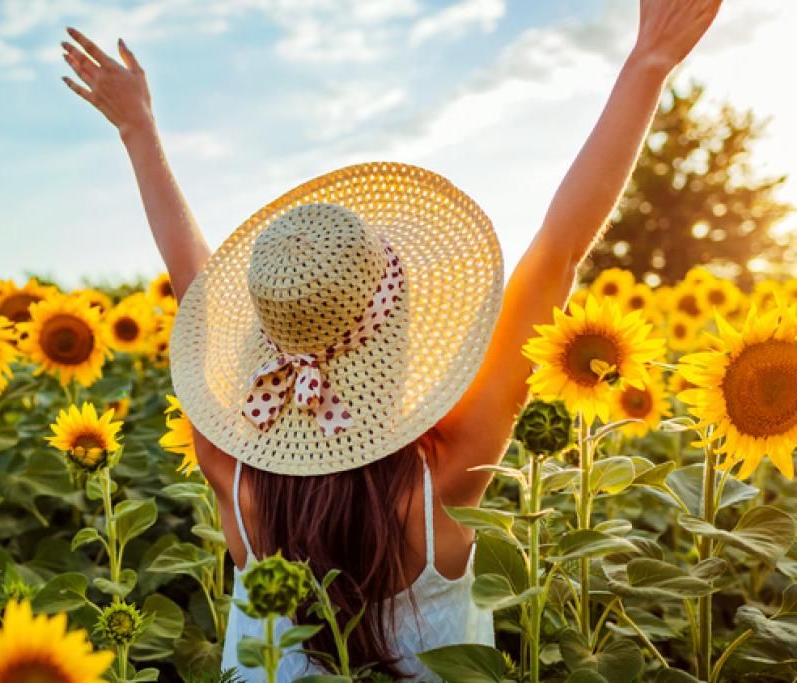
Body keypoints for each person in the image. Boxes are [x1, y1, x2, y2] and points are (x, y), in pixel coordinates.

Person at [60, 1, 721, 678]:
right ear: (399, 328)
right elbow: (556, 256)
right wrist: (649, 64)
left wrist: (138, 130)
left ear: (267, 332)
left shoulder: (236, 478)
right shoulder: (445, 476)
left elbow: (193, 287)